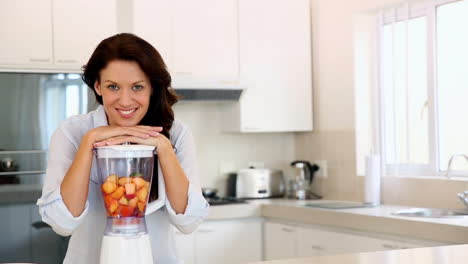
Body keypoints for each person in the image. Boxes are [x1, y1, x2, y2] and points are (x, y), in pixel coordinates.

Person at [36, 33, 210, 264]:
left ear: (152, 88)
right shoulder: (73, 133)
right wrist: (89, 142)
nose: (125, 101)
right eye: (113, 87)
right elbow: (62, 224)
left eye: (137, 87)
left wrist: (164, 149)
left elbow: (188, 222)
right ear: (98, 86)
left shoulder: (176, 133)